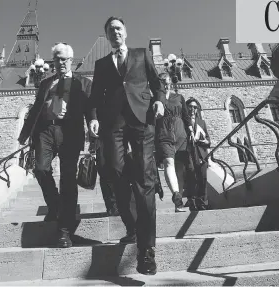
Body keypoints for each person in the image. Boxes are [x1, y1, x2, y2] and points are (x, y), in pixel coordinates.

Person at [88, 16, 165, 275]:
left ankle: (147, 253)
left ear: (125, 32)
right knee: (115, 173)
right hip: (114, 125)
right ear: (107, 36)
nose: (115, 33)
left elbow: (157, 83)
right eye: (110, 30)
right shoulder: (101, 64)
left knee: (144, 183)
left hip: (142, 120)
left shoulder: (141, 54)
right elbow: (95, 96)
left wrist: (160, 101)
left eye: (118, 28)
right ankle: (132, 226)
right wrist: (94, 118)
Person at [18, 43, 92, 248]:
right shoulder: (45, 83)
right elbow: (36, 109)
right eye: (56, 59)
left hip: (70, 132)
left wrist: (94, 128)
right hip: (45, 131)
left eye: (63, 59)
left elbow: (90, 108)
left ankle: (65, 230)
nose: (59, 62)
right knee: (41, 169)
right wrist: (25, 134)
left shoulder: (82, 83)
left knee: (68, 179)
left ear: (71, 61)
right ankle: (55, 205)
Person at [155, 73, 195, 213]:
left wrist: (190, 129)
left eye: (168, 82)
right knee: (168, 163)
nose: (167, 85)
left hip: (181, 135)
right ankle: (176, 195)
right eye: (163, 82)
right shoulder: (156, 98)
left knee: (179, 168)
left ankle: (178, 204)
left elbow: (185, 115)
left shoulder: (179, 97)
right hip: (163, 134)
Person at [185, 97, 211, 211]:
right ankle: (193, 203)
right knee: (192, 178)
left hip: (202, 154)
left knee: (203, 179)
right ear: (186, 108)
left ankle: (203, 203)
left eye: (195, 107)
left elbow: (208, 139)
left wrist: (206, 142)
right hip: (189, 153)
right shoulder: (183, 121)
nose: (193, 109)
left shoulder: (202, 122)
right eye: (190, 107)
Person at [88, 136, 119, 216]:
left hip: (117, 136)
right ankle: (112, 206)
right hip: (101, 137)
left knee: (116, 170)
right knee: (104, 171)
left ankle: (117, 204)